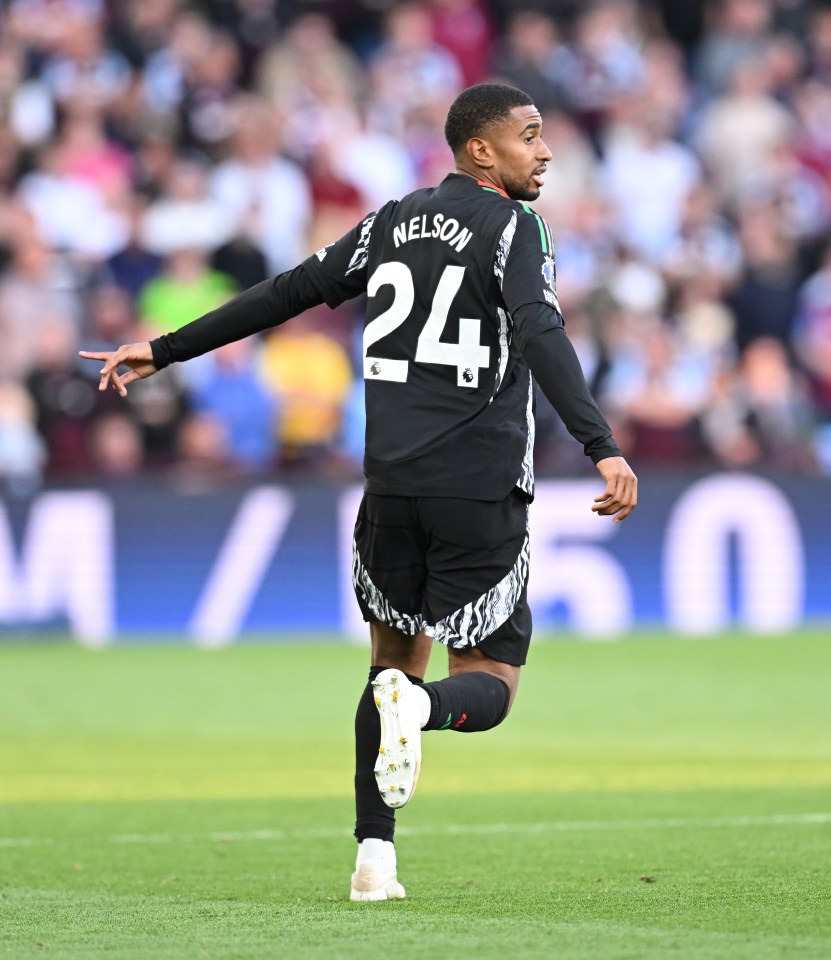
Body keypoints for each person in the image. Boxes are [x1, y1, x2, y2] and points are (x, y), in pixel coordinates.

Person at [80, 82, 637, 902]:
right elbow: (540, 327)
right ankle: (426, 710)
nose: (545, 150)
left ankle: (374, 858)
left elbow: (285, 294)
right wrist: (601, 444)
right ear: (480, 150)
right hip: (477, 489)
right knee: (488, 682)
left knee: (388, 665)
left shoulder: (387, 223)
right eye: (529, 136)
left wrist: (164, 349)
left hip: (388, 490)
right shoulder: (514, 226)